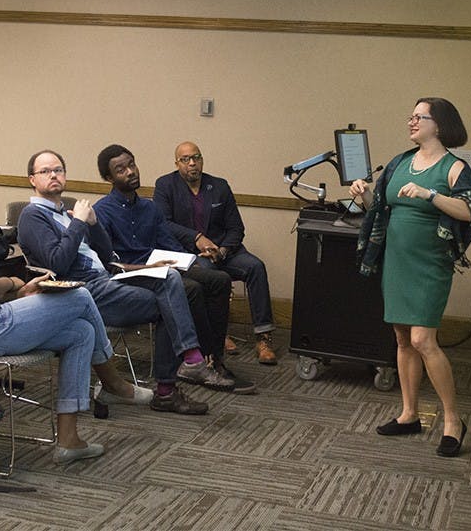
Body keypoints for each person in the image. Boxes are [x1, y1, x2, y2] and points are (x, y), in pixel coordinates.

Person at [0, 138, 151, 465]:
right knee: (80, 294)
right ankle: (112, 381)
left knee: (80, 332)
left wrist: (18, 294)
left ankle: (69, 440)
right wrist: (12, 282)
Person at [17, 149, 229, 414]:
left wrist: (93, 225)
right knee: (170, 303)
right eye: (45, 172)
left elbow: (107, 256)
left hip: (106, 280)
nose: (53, 176)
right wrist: (80, 224)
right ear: (31, 180)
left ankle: (187, 363)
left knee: (170, 279)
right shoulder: (33, 215)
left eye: (58, 170)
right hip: (79, 293)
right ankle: (174, 382)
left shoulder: (66, 213)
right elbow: (58, 263)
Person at [350, 97, 471, 458]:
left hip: (430, 264)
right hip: (396, 261)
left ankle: (453, 421)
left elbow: (469, 211)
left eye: (419, 117)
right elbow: (380, 210)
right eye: (410, 116)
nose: (411, 122)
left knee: (424, 339)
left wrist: (431, 194)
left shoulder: (453, 167)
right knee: (402, 338)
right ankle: (409, 414)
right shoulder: (399, 163)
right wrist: (365, 195)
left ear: (438, 124)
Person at [93, 144, 256, 394]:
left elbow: (169, 245)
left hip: (161, 268)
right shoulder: (102, 211)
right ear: (109, 178)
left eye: (132, 164)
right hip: (130, 276)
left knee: (219, 279)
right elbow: (109, 263)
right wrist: (154, 266)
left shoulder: (149, 208)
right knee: (191, 288)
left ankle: (214, 359)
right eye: (121, 169)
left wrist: (189, 261)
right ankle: (198, 361)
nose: (131, 172)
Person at [154, 141, 278, 365]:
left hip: (225, 251)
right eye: (185, 159)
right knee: (211, 277)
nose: (192, 163)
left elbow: (236, 228)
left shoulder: (219, 186)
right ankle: (217, 336)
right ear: (177, 163)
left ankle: (264, 337)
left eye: (197, 157)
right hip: (192, 255)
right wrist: (197, 238)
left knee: (256, 267)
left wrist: (221, 250)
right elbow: (164, 223)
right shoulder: (165, 185)